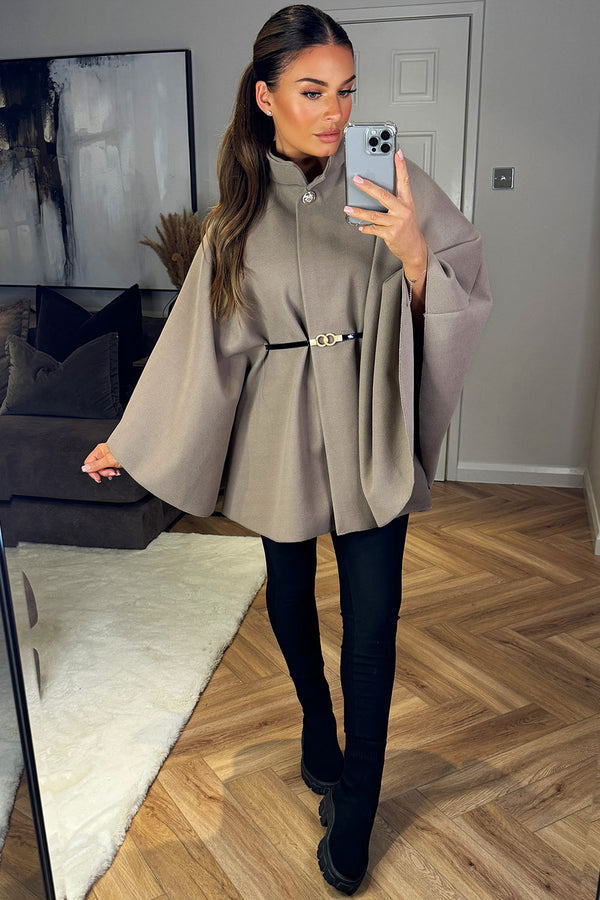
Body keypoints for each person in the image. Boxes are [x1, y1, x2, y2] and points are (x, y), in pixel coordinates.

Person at [83, 5, 492, 894]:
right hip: (281, 430)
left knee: (374, 621)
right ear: (267, 97)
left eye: (346, 91)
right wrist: (133, 439)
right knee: (291, 593)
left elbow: (464, 282)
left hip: (371, 422)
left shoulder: (393, 180)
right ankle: (316, 724)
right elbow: (199, 342)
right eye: (313, 91)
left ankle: (359, 802)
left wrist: (414, 255)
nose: (336, 111)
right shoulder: (236, 217)